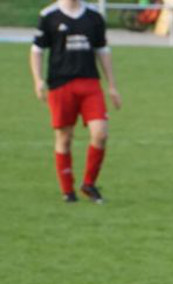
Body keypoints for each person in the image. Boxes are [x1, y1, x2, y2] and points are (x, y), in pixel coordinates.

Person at [29, 0, 121, 203]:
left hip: (90, 83)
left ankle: (89, 184)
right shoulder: (49, 15)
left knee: (100, 133)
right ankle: (67, 191)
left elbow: (102, 50)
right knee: (64, 137)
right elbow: (37, 50)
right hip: (61, 84)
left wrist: (112, 86)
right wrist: (38, 80)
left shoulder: (94, 16)